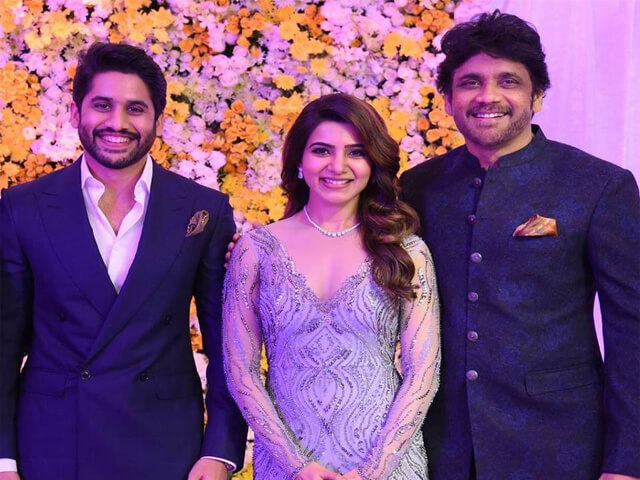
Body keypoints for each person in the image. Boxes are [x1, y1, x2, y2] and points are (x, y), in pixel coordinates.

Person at [399, 10, 640, 480]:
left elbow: (632, 331)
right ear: (447, 99)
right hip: (442, 449)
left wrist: (626, 462)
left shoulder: (597, 186)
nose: (488, 96)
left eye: (508, 81)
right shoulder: (419, 187)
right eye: (470, 83)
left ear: (538, 96)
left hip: (560, 446)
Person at [0, 42, 247, 480]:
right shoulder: (23, 207)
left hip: (167, 445)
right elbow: (3, 344)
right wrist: (3, 460)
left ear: (157, 121)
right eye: (102, 105)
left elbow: (227, 345)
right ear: (75, 113)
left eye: (135, 109)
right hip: (54, 443)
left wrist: (221, 451)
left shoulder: (203, 210)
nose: (117, 123)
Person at [222, 93, 440, 480]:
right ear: (299, 161)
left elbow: (423, 372)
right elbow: (241, 372)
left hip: (387, 466)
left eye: (356, 152)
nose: (338, 166)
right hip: (287, 467)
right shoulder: (256, 251)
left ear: (373, 163)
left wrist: (374, 470)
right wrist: (296, 465)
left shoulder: (407, 251)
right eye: (322, 150)